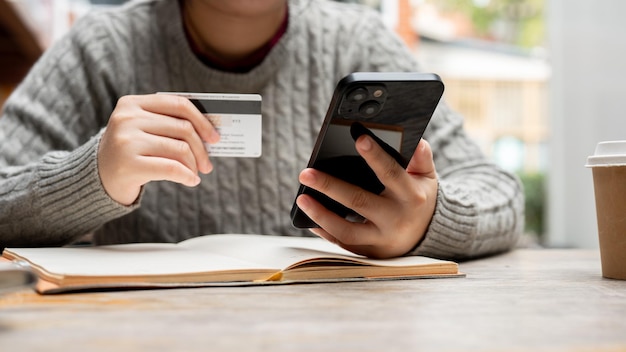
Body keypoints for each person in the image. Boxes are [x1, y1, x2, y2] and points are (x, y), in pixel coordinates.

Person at [0, 0, 524, 260]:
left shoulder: (356, 39)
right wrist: (92, 176)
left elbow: (499, 194)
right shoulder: (100, 48)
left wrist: (428, 219)